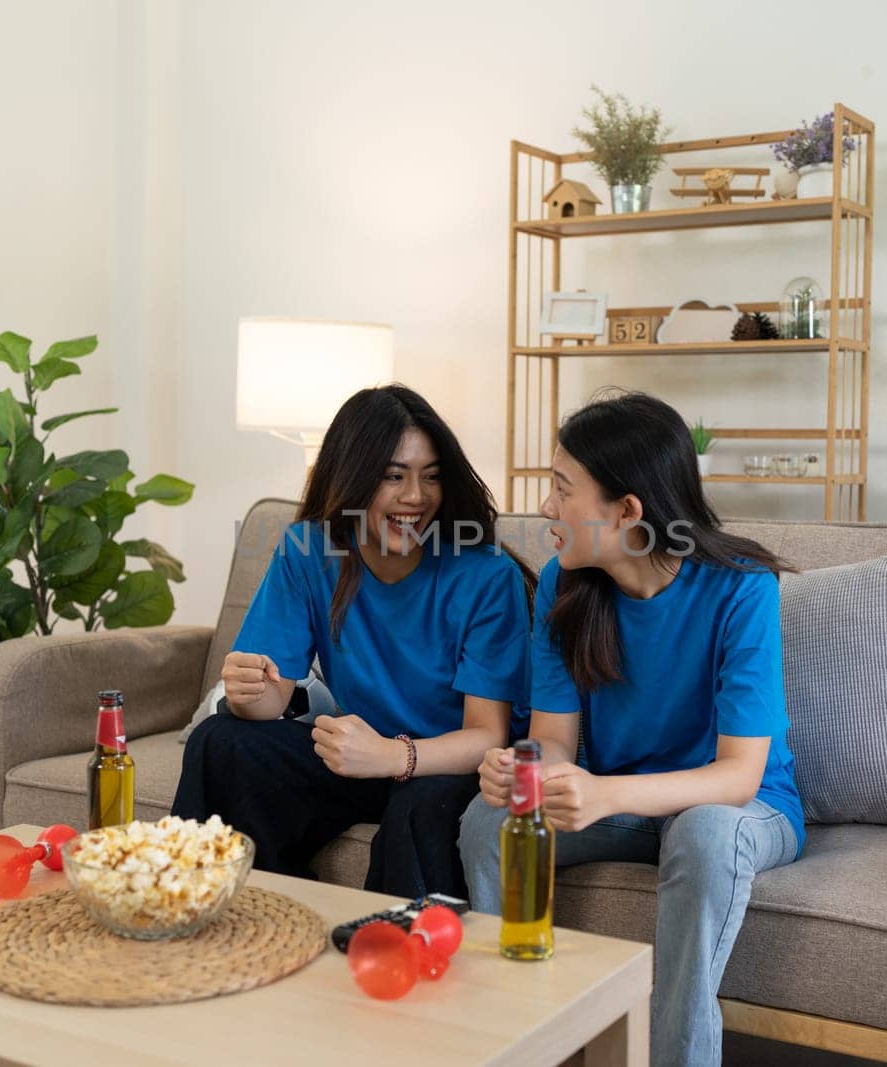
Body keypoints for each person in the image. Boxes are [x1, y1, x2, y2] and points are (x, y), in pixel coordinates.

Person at [458, 390, 803, 1067]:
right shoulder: (565, 581)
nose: (546, 509)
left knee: (704, 831)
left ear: (627, 510)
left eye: (562, 489)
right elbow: (556, 738)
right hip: (616, 802)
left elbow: (738, 775)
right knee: (488, 818)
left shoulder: (742, 587)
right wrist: (527, 767)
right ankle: (518, 1040)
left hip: (740, 807)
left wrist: (607, 793)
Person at [172, 384, 532, 899]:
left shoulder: (484, 574)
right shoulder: (308, 550)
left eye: (431, 477)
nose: (416, 496)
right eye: (393, 475)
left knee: (420, 807)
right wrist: (247, 691)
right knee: (221, 742)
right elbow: (272, 699)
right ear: (353, 474)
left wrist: (393, 757)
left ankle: (395, 954)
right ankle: (231, 915)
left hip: (451, 767)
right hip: (359, 758)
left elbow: (487, 736)